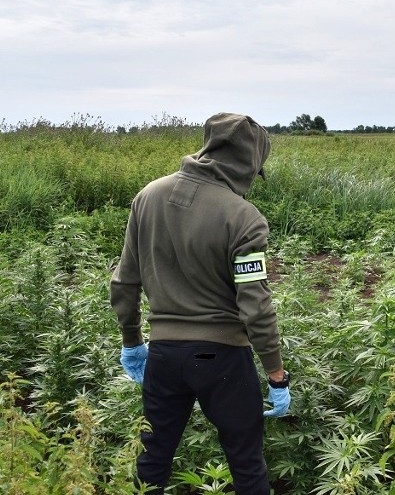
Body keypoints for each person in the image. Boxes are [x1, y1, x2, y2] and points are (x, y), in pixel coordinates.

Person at [110, 112, 291, 495]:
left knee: (153, 457)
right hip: (222, 357)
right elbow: (255, 305)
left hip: (162, 355)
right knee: (246, 462)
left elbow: (125, 281)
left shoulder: (148, 197)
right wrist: (276, 374)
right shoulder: (244, 218)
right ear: (248, 163)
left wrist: (132, 342)